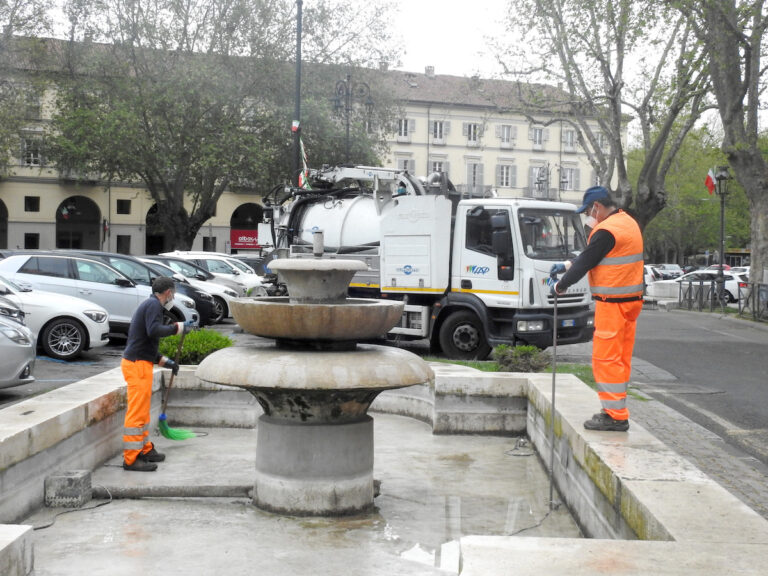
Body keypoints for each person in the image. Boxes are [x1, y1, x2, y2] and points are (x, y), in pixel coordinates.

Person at [550, 186, 644, 432]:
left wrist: (561, 285)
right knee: (620, 359)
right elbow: (597, 255)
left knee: (605, 359)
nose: (588, 217)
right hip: (629, 303)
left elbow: (587, 261)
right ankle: (616, 409)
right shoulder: (627, 222)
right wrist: (566, 264)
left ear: (597, 207)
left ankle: (614, 416)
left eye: (588, 212)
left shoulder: (606, 230)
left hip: (611, 305)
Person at [121, 276, 195, 471]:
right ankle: (131, 459)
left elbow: (146, 343)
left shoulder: (151, 305)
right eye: (174, 294)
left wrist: (166, 362)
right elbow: (153, 331)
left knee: (143, 413)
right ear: (169, 293)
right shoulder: (153, 305)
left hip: (141, 362)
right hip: (137, 365)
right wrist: (178, 328)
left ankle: (144, 449)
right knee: (136, 414)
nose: (174, 298)